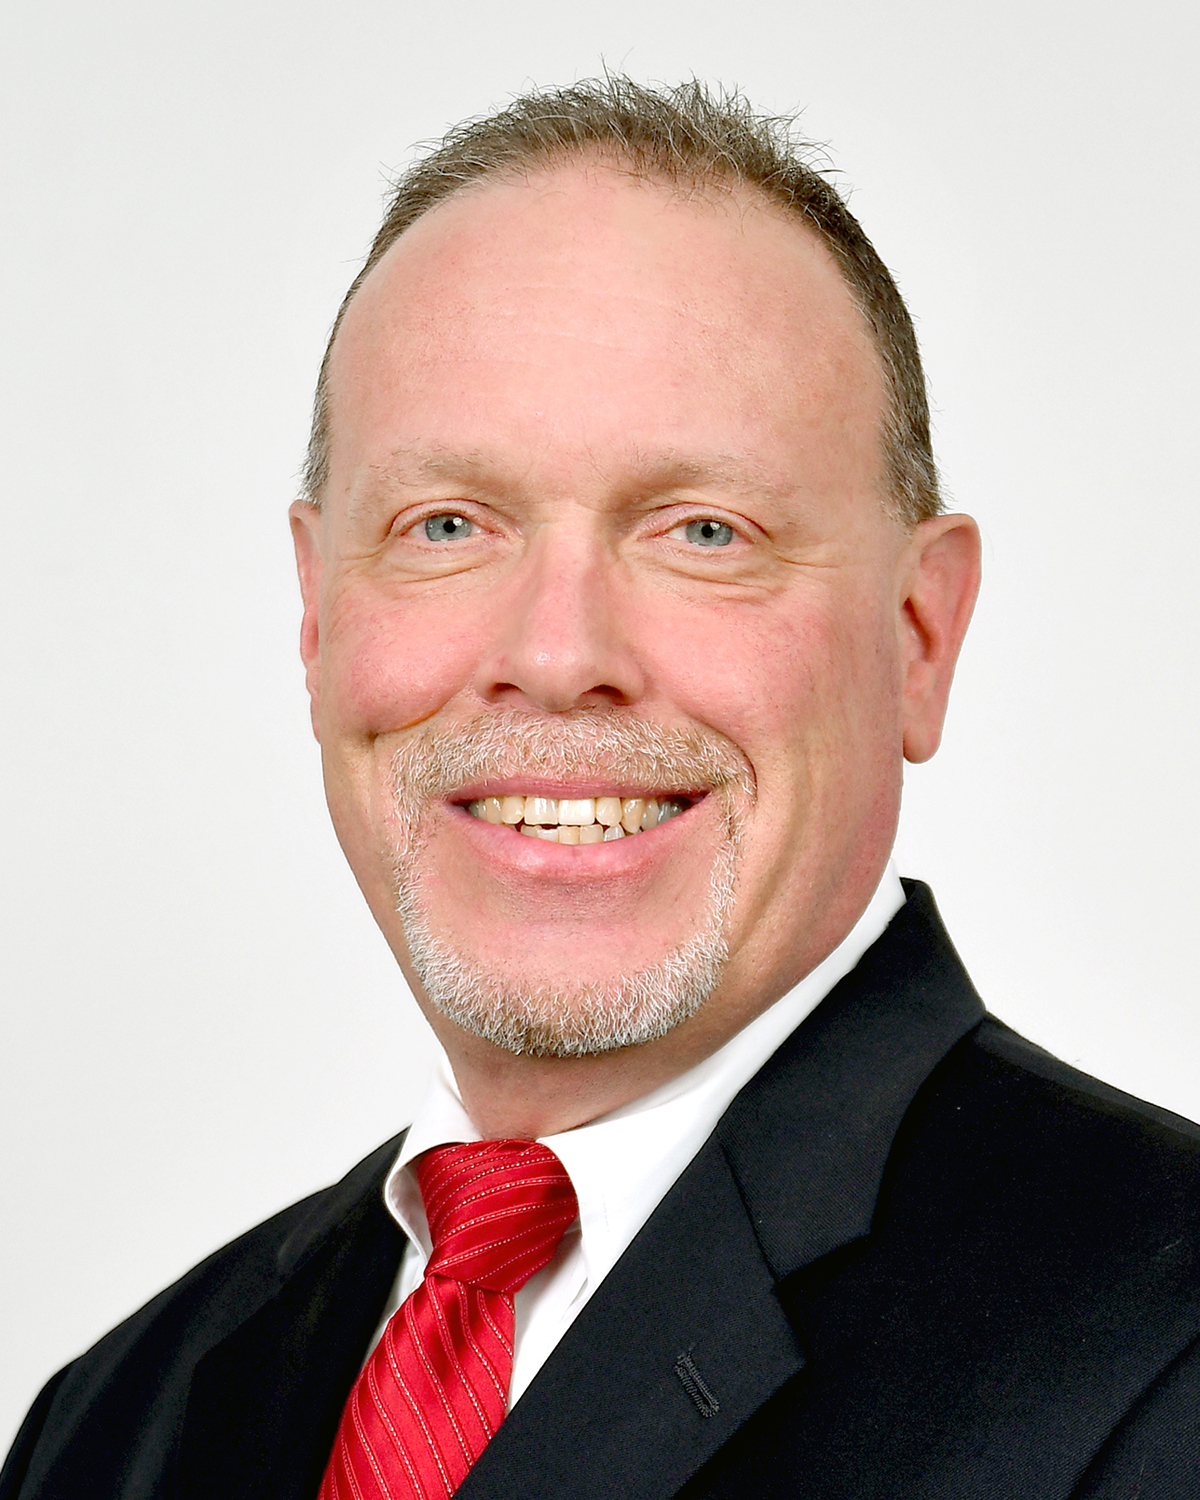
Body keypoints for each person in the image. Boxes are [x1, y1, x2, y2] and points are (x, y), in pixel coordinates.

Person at [3, 76, 1198, 1500]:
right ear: (317, 616)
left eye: (704, 532)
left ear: (919, 635)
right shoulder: (113, 1424)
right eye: (447, 524)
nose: (558, 656)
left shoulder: (1169, 1359)